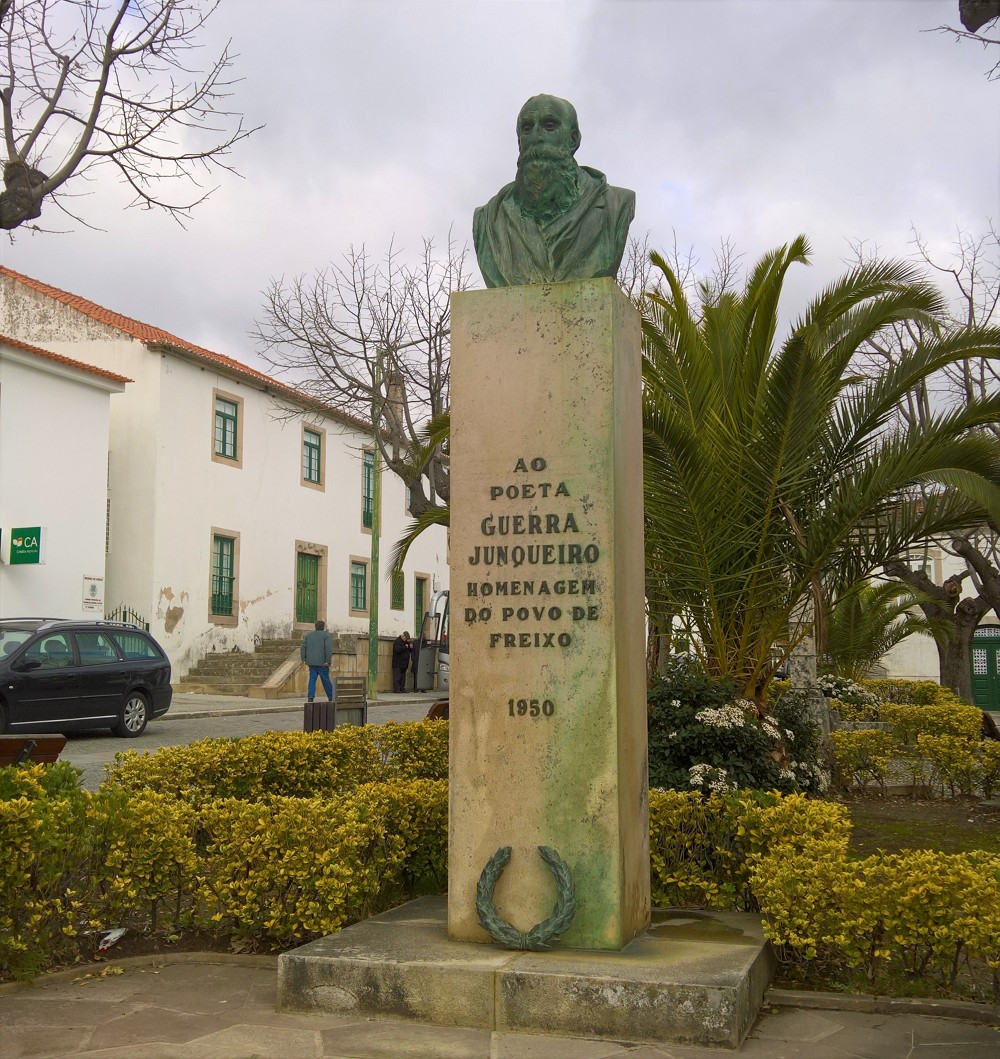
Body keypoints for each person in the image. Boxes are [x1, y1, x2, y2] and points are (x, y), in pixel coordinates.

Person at [473, 93, 635, 289]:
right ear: (519, 142)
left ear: (573, 139)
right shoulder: (488, 219)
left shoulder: (616, 205)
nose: (536, 137)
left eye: (549, 126)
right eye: (527, 128)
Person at [300, 619, 334, 702]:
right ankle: (331, 696)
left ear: (315, 626)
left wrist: (303, 658)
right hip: (322, 663)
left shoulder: (309, 635)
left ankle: (310, 697)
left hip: (311, 662)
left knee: (312, 679)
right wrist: (328, 660)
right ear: (323, 627)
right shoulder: (326, 636)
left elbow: (303, 647)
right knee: (326, 680)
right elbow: (328, 649)